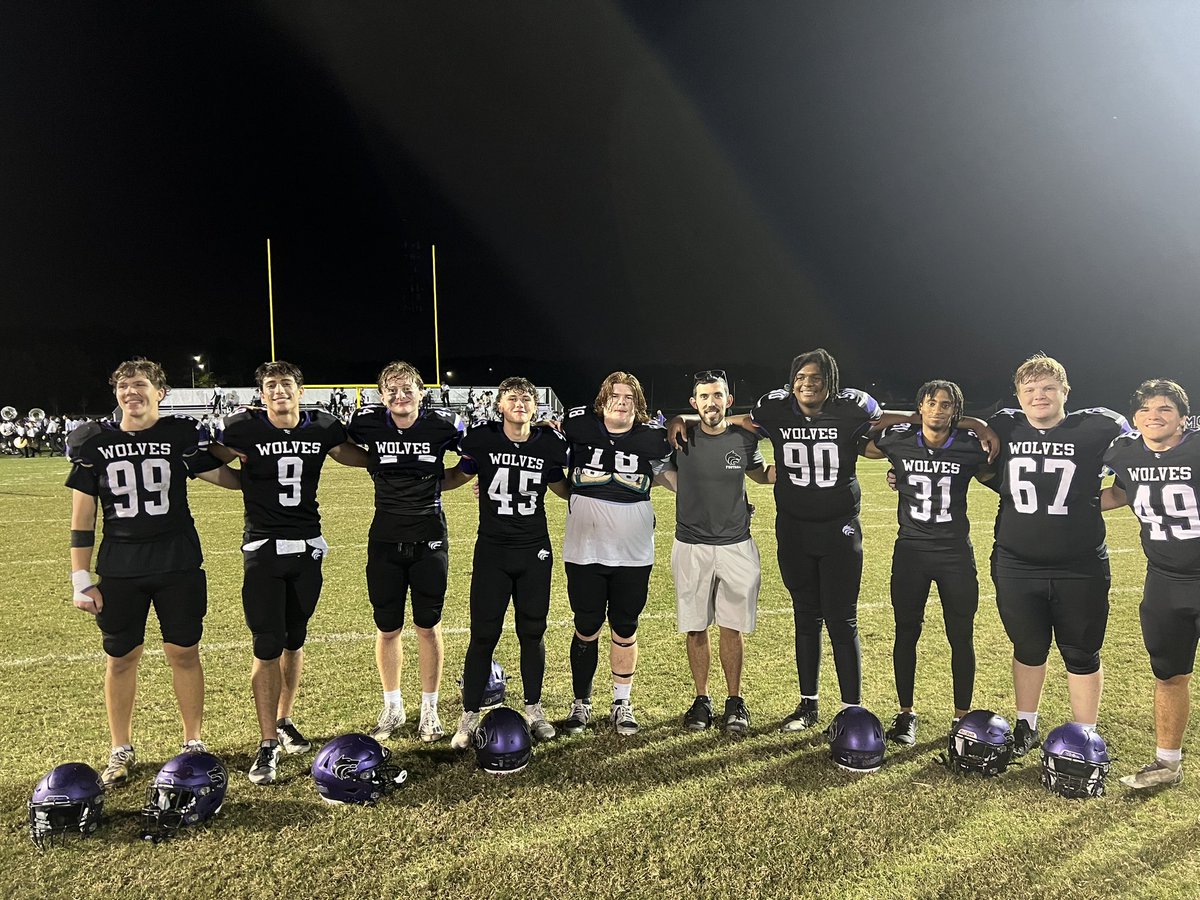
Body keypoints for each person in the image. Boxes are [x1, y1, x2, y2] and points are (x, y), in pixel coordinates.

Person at [66, 359, 239, 788]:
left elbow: (224, 478)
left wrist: (259, 454)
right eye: (124, 386)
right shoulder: (94, 441)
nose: (131, 392)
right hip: (121, 567)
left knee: (184, 651)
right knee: (121, 658)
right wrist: (80, 577)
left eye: (140, 384)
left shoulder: (179, 435)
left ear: (160, 392)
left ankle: (193, 742)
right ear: (116, 394)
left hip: (177, 563)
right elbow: (83, 516)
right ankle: (120, 747)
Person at [209, 361, 369, 785]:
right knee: (267, 644)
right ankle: (266, 745)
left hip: (307, 548)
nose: (279, 391)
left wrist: (395, 458)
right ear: (262, 394)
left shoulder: (322, 426)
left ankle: (284, 719)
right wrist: (246, 484)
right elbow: (205, 463)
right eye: (270, 385)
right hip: (263, 548)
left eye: (286, 384)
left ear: (300, 391)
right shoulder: (243, 428)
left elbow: (354, 455)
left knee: (294, 640)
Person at [981, 354, 1129, 756]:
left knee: (1081, 651)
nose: (1039, 396)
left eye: (1048, 388)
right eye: (1029, 390)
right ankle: (1025, 724)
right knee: (1027, 647)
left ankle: (1086, 734)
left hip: (1079, 563)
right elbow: (974, 462)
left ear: (1065, 391)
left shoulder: (1097, 427)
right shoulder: (1005, 426)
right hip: (1015, 561)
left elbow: (1136, 468)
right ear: (1017, 395)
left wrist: (1092, 501)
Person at [862, 380, 991, 744]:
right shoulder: (899, 439)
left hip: (954, 553)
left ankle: (961, 716)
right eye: (931, 403)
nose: (938, 409)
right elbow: (864, 437)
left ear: (955, 411)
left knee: (961, 635)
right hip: (912, 552)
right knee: (906, 631)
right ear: (920, 406)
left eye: (946, 405)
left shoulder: (969, 447)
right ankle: (905, 714)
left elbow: (993, 472)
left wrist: (979, 427)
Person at [446, 377, 571, 749]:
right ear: (499, 404)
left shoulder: (549, 443)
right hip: (493, 550)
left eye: (526, 398)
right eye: (512, 398)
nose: (520, 403)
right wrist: (415, 481)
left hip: (534, 549)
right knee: (483, 634)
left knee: (532, 631)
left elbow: (561, 485)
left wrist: (598, 491)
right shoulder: (483, 438)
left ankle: (534, 708)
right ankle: (469, 714)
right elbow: (459, 475)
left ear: (536, 406)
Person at [348, 361, 469, 743]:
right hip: (384, 537)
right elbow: (339, 448)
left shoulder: (443, 426)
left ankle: (430, 709)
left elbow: (471, 460)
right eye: (392, 390)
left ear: (421, 392)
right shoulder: (367, 424)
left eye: (407, 389)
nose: (400, 396)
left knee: (428, 626)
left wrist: (442, 482)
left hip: (429, 536)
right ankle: (393, 705)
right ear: (381, 396)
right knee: (388, 628)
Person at [560, 371, 672, 736]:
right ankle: (581, 703)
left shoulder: (653, 439)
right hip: (584, 548)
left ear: (638, 404)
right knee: (586, 626)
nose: (621, 401)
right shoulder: (578, 426)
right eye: (614, 395)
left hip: (633, 551)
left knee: (625, 627)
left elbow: (676, 477)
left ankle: (622, 702)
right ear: (602, 400)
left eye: (628, 397)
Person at [1100, 380, 1200, 789]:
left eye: (1164, 409)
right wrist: (1062, 504)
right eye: (1145, 410)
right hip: (1164, 580)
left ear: (1182, 418)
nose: (1153, 416)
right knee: (1169, 673)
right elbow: (1120, 493)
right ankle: (1167, 763)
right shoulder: (1124, 452)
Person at [662, 370, 771, 734]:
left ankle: (734, 700)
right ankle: (702, 698)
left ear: (728, 400)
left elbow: (760, 476)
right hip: (691, 544)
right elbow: (657, 464)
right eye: (704, 397)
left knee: (732, 626)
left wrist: (799, 466)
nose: (711, 402)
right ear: (694, 403)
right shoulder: (681, 437)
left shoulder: (743, 439)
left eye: (718, 395)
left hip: (736, 544)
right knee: (695, 627)